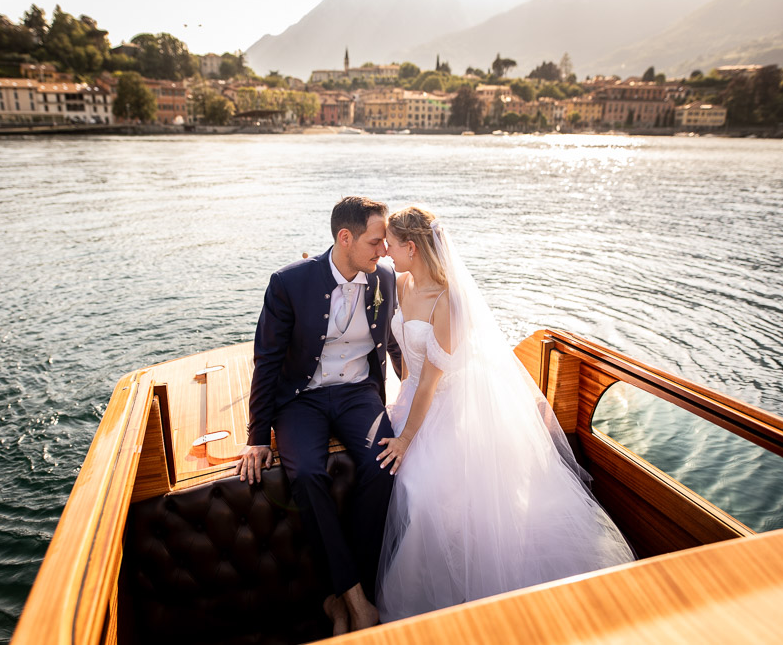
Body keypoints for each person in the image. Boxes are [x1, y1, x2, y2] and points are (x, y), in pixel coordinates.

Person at [374, 206, 635, 622]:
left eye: (390, 242)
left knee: (427, 494)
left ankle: (455, 597)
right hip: (411, 397)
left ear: (411, 247)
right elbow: (408, 364)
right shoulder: (401, 282)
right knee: (408, 486)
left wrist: (406, 438)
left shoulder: (449, 301)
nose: (384, 249)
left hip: (448, 407)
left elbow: (432, 382)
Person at [236, 196, 402, 634]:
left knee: (383, 467)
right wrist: (257, 435)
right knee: (308, 474)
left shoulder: (385, 277)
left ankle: (343, 598)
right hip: (301, 398)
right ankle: (356, 600)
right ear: (344, 238)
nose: (383, 250)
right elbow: (267, 360)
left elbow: (397, 345)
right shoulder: (289, 283)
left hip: (358, 394)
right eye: (375, 241)